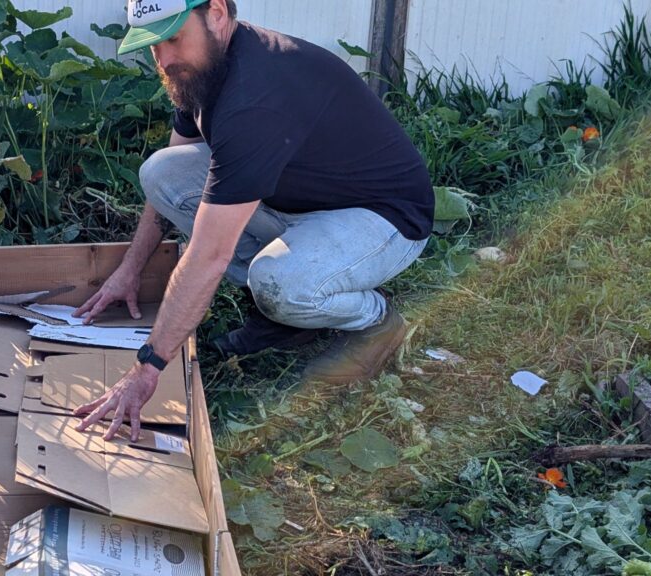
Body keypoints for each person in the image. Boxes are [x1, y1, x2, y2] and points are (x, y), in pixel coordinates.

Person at [73, 0, 434, 441]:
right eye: (152, 46)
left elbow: (209, 255)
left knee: (279, 282)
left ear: (218, 13)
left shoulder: (256, 95)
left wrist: (147, 368)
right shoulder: (201, 68)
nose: (164, 61)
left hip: (382, 218)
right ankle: (283, 318)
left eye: (172, 38)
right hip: (298, 200)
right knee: (161, 172)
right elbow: (173, 174)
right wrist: (130, 270)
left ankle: (377, 322)